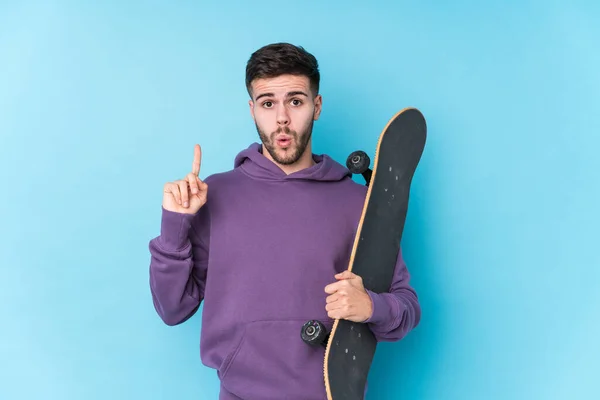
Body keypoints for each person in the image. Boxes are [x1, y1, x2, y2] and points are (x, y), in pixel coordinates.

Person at [148, 42, 421, 400]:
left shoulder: (357, 202)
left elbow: (407, 307)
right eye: (267, 103)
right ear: (252, 110)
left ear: (316, 106)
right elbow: (172, 309)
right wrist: (175, 224)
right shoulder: (213, 195)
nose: (281, 118)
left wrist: (371, 306)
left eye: (295, 101)